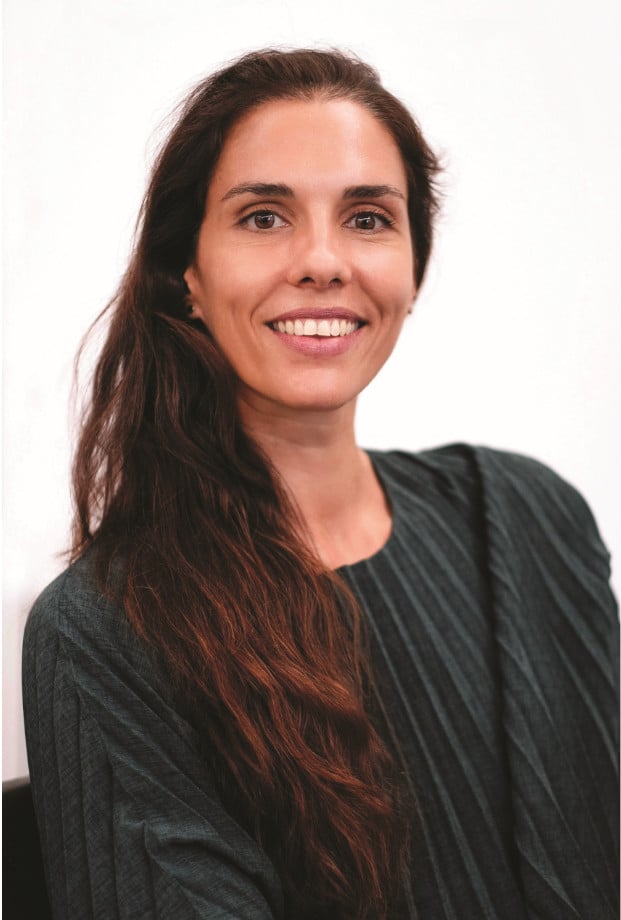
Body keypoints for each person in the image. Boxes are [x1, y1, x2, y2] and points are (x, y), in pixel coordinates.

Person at [22, 48, 618, 920]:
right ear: (187, 272)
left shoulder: (530, 515)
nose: (322, 261)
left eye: (368, 218)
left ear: (413, 268)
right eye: (263, 217)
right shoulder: (106, 630)